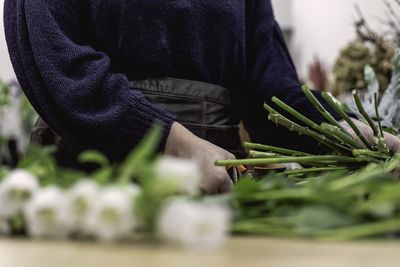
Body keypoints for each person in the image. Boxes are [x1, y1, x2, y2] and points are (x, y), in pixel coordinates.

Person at [4, 0, 400, 194]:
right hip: (89, 185)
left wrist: (346, 133)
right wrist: (169, 141)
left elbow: (270, 89)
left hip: (215, 187)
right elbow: (54, 59)